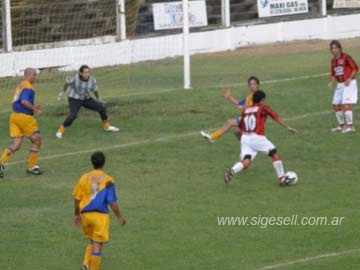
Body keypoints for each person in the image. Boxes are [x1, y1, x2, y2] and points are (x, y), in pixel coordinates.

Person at [201, 90, 298, 185]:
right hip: (257, 137)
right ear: (262, 99)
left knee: (246, 161)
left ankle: (232, 170)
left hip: (245, 138)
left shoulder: (246, 110)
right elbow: (276, 117)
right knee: (274, 154)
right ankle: (282, 179)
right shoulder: (263, 107)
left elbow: (240, 127)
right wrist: (288, 127)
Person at [73, 151, 126, 270]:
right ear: (104, 163)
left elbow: (77, 199)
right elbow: (112, 203)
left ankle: (86, 265)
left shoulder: (84, 178)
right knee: (97, 246)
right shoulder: (108, 180)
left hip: (86, 216)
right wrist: (119, 216)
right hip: (100, 218)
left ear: (92, 163)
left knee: (92, 241)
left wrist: (77, 215)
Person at [0, 68, 43, 177]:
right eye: (34, 75)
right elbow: (24, 101)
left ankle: (1, 162)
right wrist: (35, 109)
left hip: (14, 116)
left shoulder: (21, 85)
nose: (35, 77)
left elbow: (17, 101)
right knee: (36, 141)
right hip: (24, 118)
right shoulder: (28, 87)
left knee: (16, 144)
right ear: (29, 75)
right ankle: (32, 167)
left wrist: (32, 107)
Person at [56, 65, 119, 139]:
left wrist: (98, 98)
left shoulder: (92, 80)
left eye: (88, 72)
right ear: (81, 73)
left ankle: (107, 127)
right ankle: (60, 131)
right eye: (85, 72)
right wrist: (63, 92)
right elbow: (67, 83)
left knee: (101, 108)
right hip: (74, 98)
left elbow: (95, 90)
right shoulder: (75, 78)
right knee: (73, 115)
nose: (87, 74)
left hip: (86, 98)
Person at [201, 76, 260, 141]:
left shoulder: (257, 95)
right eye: (251, 84)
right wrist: (229, 96)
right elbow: (239, 103)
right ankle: (212, 137)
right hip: (247, 117)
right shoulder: (250, 95)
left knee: (232, 125)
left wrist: (243, 107)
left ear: (257, 85)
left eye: (254, 84)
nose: (252, 86)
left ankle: (212, 137)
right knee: (236, 131)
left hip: (252, 119)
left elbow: (254, 107)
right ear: (249, 85)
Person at [327, 40, 358, 133]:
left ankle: (350, 126)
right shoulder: (333, 61)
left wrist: (349, 78)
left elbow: (355, 68)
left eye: (335, 48)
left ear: (339, 48)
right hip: (340, 84)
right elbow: (333, 74)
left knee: (346, 104)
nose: (334, 50)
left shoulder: (346, 57)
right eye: (332, 48)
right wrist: (331, 82)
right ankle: (341, 125)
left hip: (349, 83)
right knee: (335, 104)